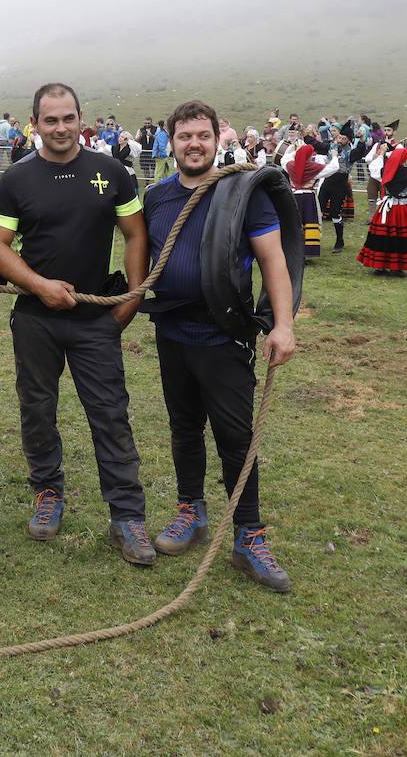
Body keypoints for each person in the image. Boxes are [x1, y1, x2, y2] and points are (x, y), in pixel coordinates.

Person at [0, 82, 154, 566]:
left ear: (82, 119)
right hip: (36, 319)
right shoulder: (16, 180)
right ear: (33, 123)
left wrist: (132, 299)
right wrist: (39, 286)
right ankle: (48, 493)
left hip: (96, 318)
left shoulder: (112, 172)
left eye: (68, 118)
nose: (60, 128)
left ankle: (127, 515)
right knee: (37, 409)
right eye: (50, 120)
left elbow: (135, 233)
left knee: (110, 413)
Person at [140, 99, 296, 593]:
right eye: (184, 136)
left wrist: (283, 325)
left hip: (224, 336)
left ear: (216, 139)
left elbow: (274, 262)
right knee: (184, 428)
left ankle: (248, 536)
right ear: (171, 141)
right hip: (172, 334)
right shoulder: (158, 197)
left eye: (202, 135)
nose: (193, 144)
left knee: (235, 437)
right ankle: (191, 510)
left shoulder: (243, 192)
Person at [356, 143, 407, 277]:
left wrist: (381, 154)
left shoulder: (385, 170)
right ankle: (397, 267)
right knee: (400, 236)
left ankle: (380, 265)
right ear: (404, 160)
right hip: (401, 208)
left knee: (382, 236)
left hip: (386, 208)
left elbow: (373, 168)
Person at [283, 138, 338, 259]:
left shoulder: (290, 165)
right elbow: (334, 168)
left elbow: (284, 158)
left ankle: (292, 249)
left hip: (294, 196)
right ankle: (307, 252)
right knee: (309, 222)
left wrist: (295, 150)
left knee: (294, 222)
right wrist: (334, 156)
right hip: (308, 198)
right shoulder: (314, 168)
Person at [317, 120, 357, 253]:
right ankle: (312, 241)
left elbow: (361, 151)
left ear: (348, 140)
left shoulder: (350, 153)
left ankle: (339, 241)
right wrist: (305, 135)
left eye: (343, 138)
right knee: (318, 210)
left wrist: (362, 141)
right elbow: (317, 145)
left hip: (340, 185)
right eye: (340, 137)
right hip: (327, 182)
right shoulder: (331, 146)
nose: (340, 140)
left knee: (335, 213)